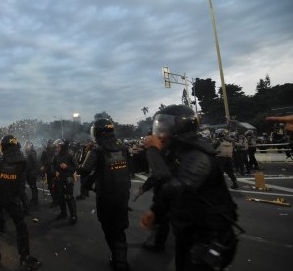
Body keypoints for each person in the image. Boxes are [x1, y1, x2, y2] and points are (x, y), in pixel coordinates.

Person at [140, 105, 239, 271]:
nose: (160, 131)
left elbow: (175, 188)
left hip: (208, 234)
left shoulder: (197, 155)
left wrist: (152, 151)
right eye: (160, 125)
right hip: (188, 228)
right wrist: (156, 210)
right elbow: (167, 188)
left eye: (165, 126)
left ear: (179, 128)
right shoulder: (177, 152)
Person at [75, 119, 131, 271]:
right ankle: (122, 261)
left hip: (106, 196)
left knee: (108, 227)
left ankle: (118, 260)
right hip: (123, 194)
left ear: (97, 133)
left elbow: (83, 170)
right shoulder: (123, 148)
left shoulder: (97, 150)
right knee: (119, 229)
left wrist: (83, 153)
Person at [0, 135, 41, 270]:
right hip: (12, 198)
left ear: (4, 146)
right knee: (21, 225)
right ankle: (25, 257)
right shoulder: (22, 161)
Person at [52, 138, 78, 225]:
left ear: (63, 147)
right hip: (59, 179)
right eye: (56, 147)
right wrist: (55, 171)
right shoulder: (56, 155)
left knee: (69, 197)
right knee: (60, 197)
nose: (57, 149)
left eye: (59, 147)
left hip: (68, 178)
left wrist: (67, 167)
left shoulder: (70, 155)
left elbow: (76, 167)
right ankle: (63, 213)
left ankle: (73, 216)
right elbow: (53, 165)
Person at [40, 139, 57, 207]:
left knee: (56, 187)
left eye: (51, 143)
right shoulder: (45, 152)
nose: (50, 144)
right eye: (49, 143)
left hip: (55, 171)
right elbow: (42, 161)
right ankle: (55, 200)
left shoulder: (56, 151)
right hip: (49, 171)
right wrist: (43, 167)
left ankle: (57, 201)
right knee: (50, 187)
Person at [24, 141, 39, 206]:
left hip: (31, 172)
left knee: (33, 186)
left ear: (31, 146)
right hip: (28, 172)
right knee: (31, 186)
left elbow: (36, 163)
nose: (26, 147)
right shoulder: (27, 153)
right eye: (26, 145)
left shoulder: (32, 153)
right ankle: (34, 198)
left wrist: (35, 172)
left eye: (28, 145)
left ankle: (35, 200)